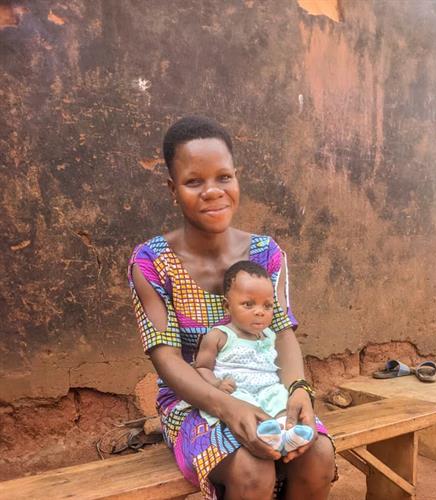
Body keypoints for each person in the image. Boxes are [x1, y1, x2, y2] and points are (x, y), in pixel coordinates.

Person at [128, 116, 336, 499]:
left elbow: (283, 333)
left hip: (267, 391)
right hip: (194, 401)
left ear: (237, 179)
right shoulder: (151, 262)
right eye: (194, 181)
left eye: (224, 177)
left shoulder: (266, 254)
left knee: (318, 454)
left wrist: (299, 390)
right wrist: (227, 407)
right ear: (172, 189)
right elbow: (167, 359)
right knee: (252, 468)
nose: (212, 191)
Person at [195, 260, 314, 455]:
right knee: (244, 403)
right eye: (248, 304)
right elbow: (201, 368)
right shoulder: (219, 336)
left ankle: (287, 433)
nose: (259, 311)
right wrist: (216, 384)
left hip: (266, 388)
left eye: (267, 306)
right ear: (227, 306)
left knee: (280, 397)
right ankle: (265, 434)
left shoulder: (269, 336)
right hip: (237, 391)